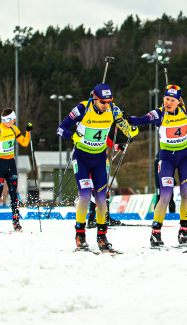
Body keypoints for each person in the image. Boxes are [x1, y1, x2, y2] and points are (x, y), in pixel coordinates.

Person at [127, 85, 187, 246]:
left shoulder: (186, 111)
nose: (168, 102)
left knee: (186, 193)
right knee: (165, 194)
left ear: (178, 101)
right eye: (166, 99)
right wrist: (128, 118)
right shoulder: (159, 113)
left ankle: (184, 231)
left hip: (185, 157)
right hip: (166, 159)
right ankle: (155, 232)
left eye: (172, 100)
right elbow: (140, 120)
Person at [57, 83, 138, 251]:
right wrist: (72, 136)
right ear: (94, 99)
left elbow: (129, 131)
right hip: (81, 158)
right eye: (102, 102)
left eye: (108, 101)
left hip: (100, 159)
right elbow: (60, 129)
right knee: (85, 196)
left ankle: (102, 237)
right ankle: (80, 234)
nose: (106, 105)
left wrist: (132, 127)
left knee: (102, 199)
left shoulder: (113, 110)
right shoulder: (82, 109)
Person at [0, 108, 32, 232]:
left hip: (11, 164)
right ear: (8, 120)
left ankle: (16, 222)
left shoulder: (14, 129)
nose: (15, 120)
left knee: (14, 194)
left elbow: (25, 143)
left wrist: (28, 132)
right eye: (13, 119)